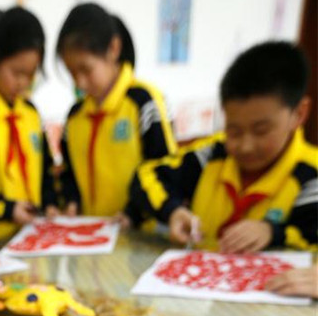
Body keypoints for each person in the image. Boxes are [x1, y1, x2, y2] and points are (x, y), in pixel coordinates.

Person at [129, 41, 318, 251]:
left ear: (299, 114)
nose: (245, 146)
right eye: (234, 131)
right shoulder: (214, 153)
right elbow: (146, 175)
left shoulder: (311, 175)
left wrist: (273, 232)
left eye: (261, 131)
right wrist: (172, 211)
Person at [55, 2, 176, 219]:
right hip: (90, 235)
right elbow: (69, 174)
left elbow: (164, 171)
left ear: (113, 49)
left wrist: (133, 213)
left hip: (141, 235)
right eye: (72, 73)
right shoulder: (75, 117)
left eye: (86, 69)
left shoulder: (144, 102)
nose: (80, 83)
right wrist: (71, 201)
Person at [0, 7, 55, 242]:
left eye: (31, 74)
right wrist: (7, 209)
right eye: (17, 73)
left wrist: (49, 204)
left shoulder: (30, 113)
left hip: (34, 239)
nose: (24, 83)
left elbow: (46, 171)